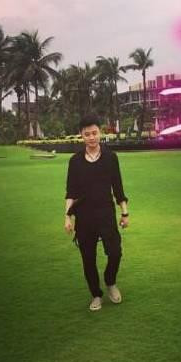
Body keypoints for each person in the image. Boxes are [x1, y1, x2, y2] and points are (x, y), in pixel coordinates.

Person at [64, 113, 129, 311]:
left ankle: (110, 281)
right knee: (88, 259)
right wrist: (67, 217)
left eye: (94, 133)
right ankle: (96, 295)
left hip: (106, 213)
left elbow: (118, 188)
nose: (91, 137)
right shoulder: (75, 161)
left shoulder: (110, 158)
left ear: (100, 132)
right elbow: (71, 192)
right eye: (87, 134)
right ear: (81, 136)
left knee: (115, 252)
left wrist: (124, 213)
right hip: (84, 217)